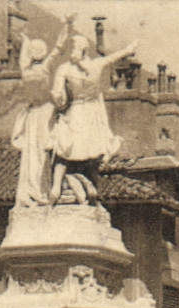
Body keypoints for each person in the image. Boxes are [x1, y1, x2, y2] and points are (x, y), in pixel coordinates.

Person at [49, 23, 136, 203]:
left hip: (76, 112)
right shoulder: (94, 64)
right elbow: (113, 57)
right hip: (91, 113)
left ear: (80, 50)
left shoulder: (64, 68)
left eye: (73, 47)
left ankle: (59, 187)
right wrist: (128, 50)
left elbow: (57, 95)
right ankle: (77, 188)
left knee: (65, 149)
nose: (71, 51)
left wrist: (57, 101)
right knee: (87, 153)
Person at [9, 21, 67, 207]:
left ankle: (34, 190)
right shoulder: (44, 68)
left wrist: (25, 40)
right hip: (45, 112)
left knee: (32, 154)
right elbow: (59, 47)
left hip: (32, 114)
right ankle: (42, 190)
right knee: (45, 151)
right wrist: (67, 24)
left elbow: (22, 56)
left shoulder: (25, 71)